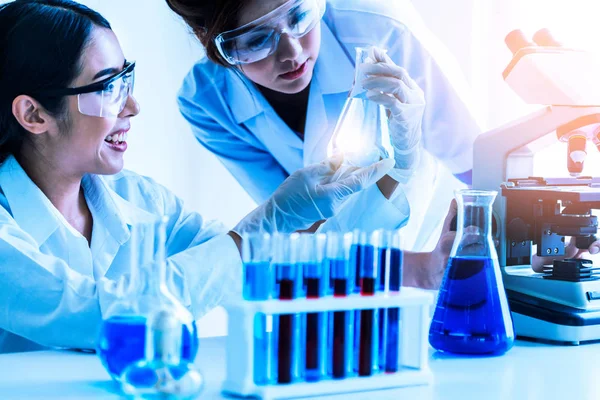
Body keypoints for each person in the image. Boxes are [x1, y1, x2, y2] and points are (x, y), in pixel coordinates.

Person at [0, 0, 393, 354]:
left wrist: (394, 177)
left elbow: (263, 271)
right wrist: (266, 222)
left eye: (127, 80)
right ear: (34, 115)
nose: (133, 107)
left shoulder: (140, 199)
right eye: (109, 87)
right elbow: (100, 316)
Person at [165, 0, 480, 288]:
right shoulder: (207, 101)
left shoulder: (379, 29)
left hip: (438, 244)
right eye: (257, 40)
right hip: (340, 270)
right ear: (211, 43)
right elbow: (298, 231)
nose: (292, 52)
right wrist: (415, 271)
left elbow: (478, 167)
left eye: (299, 16)